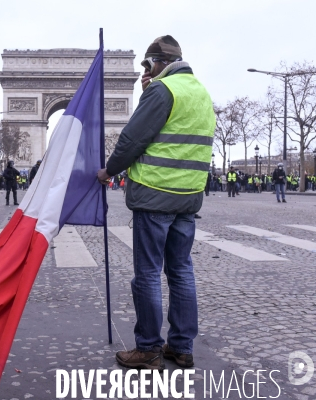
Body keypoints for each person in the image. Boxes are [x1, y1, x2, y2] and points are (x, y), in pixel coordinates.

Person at [97, 35, 214, 370]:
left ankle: (148, 347)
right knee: (180, 271)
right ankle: (181, 347)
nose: (145, 72)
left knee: (147, 273)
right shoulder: (201, 92)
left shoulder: (163, 91)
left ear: (157, 63)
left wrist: (109, 171)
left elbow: (134, 136)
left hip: (155, 194)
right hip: (188, 197)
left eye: (147, 66)